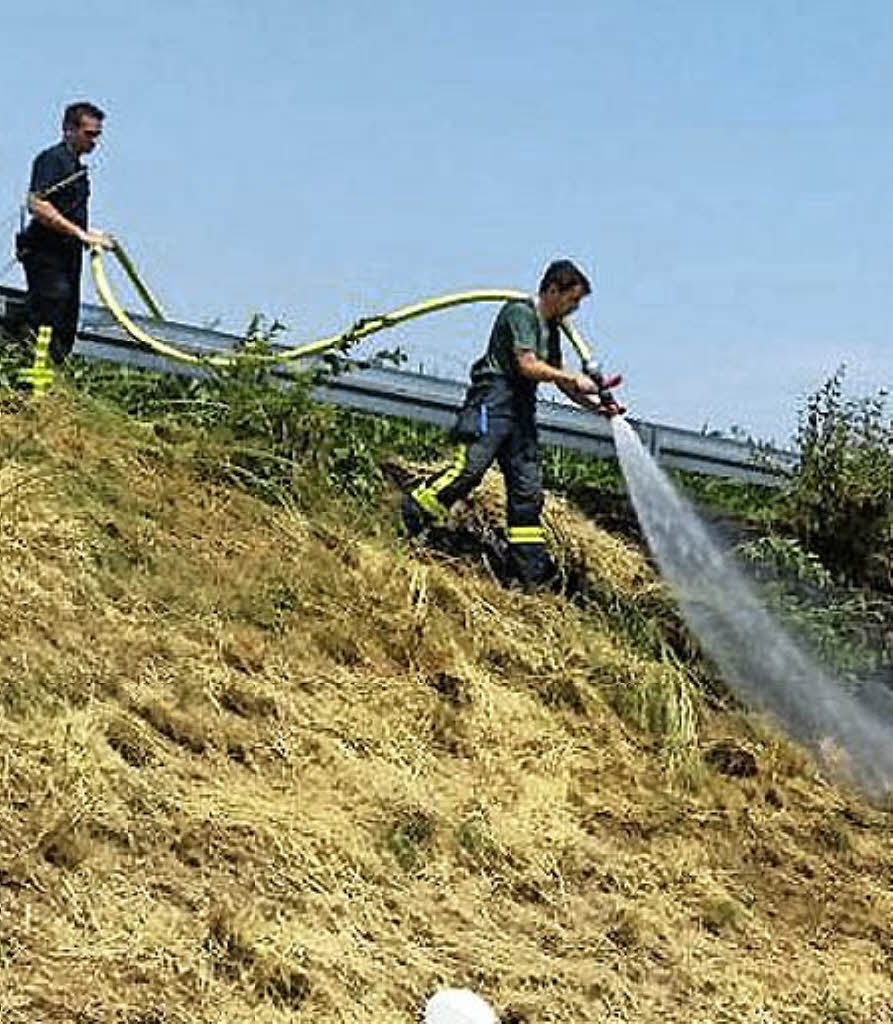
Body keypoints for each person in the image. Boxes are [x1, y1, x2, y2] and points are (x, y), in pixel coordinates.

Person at [401, 258, 623, 587]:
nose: (575, 309)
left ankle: (528, 569)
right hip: (493, 399)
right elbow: (527, 365)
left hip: (521, 409)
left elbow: (560, 379)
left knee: (527, 489)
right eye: (572, 300)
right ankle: (415, 512)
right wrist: (573, 379)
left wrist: (596, 408)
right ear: (552, 290)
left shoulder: (552, 329)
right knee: (469, 470)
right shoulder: (519, 313)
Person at [17, 101, 114, 365]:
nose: (94, 141)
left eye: (97, 135)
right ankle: (31, 366)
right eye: (89, 134)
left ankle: (53, 372)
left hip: (67, 254)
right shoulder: (53, 160)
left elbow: (66, 212)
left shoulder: (77, 168)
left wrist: (89, 234)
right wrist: (80, 234)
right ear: (69, 129)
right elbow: (38, 205)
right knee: (51, 305)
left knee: (67, 318)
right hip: (46, 251)